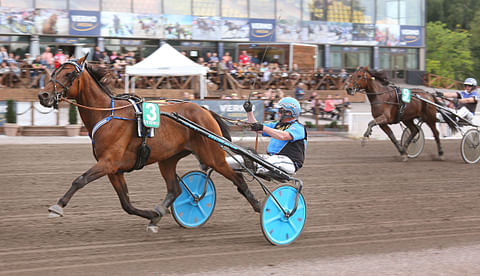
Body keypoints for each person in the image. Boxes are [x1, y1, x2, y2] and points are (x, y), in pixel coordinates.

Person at [226, 97, 307, 175]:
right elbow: (257, 127)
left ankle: (255, 166)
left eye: (279, 111)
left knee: (269, 161)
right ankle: (222, 162)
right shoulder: (276, 125)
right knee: (243, 158)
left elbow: (283, 136)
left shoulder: (298, 127)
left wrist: (263, 127)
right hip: (271, 158)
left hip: (289, 162)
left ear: (289, 113)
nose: (277, 112)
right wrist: (249, 112)